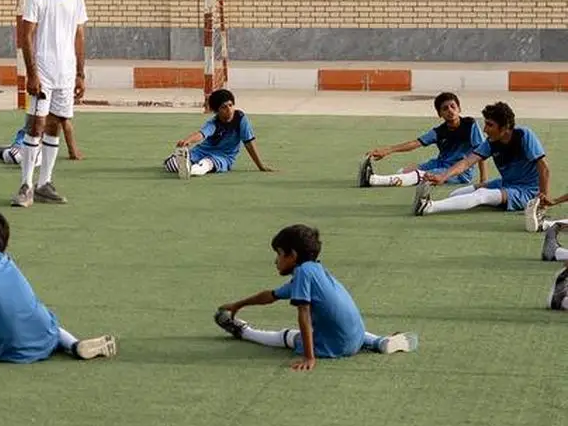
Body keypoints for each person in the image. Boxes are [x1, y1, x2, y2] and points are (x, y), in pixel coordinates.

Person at [0, 210, 116, 365]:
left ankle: (53, 342)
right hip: (44, 330)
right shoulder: (8, 262)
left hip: (11, 352)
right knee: (49, 323)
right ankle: (74, 344)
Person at [214, 224, 417, 370]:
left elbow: (303, 314)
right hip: (356, 336)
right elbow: (272, 295)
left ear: (292, 255)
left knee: (289, 336)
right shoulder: (315, 270)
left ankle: (244, 332)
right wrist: (238, 304)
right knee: (343, 324)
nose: (275, 260)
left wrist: (309, 357)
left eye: (278, 254)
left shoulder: (302, 273)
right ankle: (380, 342)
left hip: (335, 346)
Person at [13, 0, 88, 207]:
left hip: (66, 76)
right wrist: (32, 74)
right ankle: (26, 185)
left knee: (55, 125)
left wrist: (80, 74)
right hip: (43, 74)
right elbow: (27, 37)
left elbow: (79, 37)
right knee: (36, 126)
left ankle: (45, 183)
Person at [413, 101, 550, 226]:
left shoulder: (523, 135)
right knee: (456, 194)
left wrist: (542, 200)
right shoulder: (491, 142)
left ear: (505, 127)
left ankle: (428, 207)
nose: (485, 130)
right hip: (506, 183)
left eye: (490, 125)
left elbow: (543, 168)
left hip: (527, 191)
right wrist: (443, 176)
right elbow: (467, 162)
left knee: (482, 194)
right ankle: (495, 201)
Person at [357, 93, 482, 190]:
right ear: (439, 114)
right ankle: (387, 179)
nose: (450, 110)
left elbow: (481, 153)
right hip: (440, 163)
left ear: (459, 108)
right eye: (445, 108)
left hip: (459, 172)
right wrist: (388, 150)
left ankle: (373, 180)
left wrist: (483, 181)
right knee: (403, 172)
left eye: (453, 106)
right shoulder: (439, 131)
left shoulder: (470, 124)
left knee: (420, 175)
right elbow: (415, 143)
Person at [163, 89, 275, 177]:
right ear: (217, 111)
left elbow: (249, 143)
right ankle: (180, 161)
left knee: (207, 164)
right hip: (201, 151)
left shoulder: (241, 119)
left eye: (231, 105)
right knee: (170, 165)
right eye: (224, 107)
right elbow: (201, 134)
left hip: (223, 157)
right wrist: (187, 141)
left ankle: (192, 170)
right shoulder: (213, 123)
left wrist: (261, 166)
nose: (229, 109)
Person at [0, 117, 83, 164]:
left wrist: (73, 152)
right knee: (14, 157)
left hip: (42, 145)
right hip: (26, 140)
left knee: (36, 161)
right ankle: (8, 149)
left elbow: (65, 122)